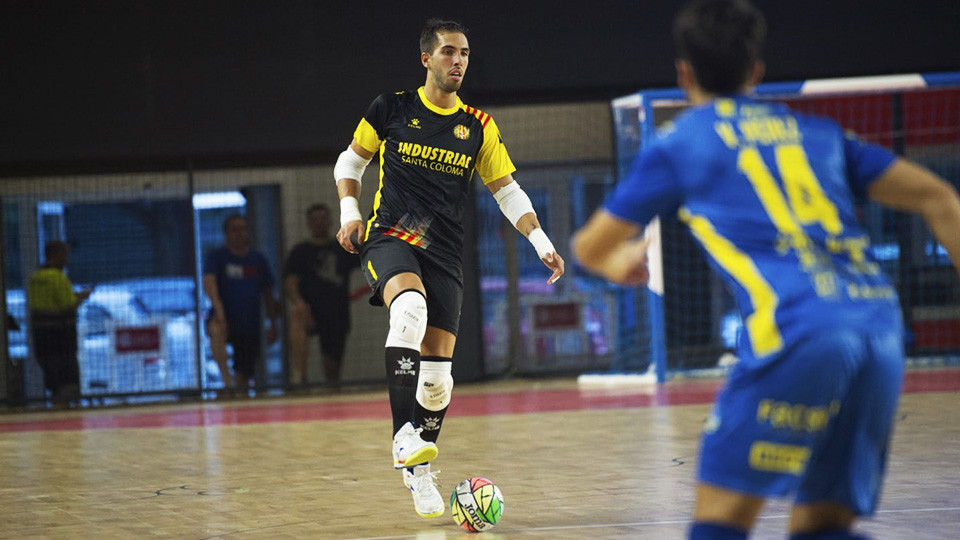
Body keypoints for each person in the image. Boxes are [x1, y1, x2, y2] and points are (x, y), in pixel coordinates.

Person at [571, 1, 960, 538]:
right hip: (881, 330)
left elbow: (589, 247)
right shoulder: (819, 132)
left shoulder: (681, 140)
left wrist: (622, 262)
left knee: (720, 522)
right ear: (756, 71)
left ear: (683, 74)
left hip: (800, 331)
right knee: (822, 524)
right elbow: (940, 199)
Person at [334, 18, 565, 519]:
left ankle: (418, 474)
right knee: (409, 310)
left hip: (443, 253)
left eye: (463, 53)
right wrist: (350, 213)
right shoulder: (391, 107)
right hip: (390, 237)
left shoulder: (478, 126)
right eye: (447, 52)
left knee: (438, 382)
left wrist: (541, 240)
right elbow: (349, 164)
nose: (457, 61)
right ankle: (401, 437)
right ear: (426, 59)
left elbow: (507, 190)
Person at [284, 203, 360, 385]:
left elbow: (367, 263)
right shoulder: (300, 252)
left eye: (323, 218)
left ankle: (332, 392)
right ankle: (300, 378)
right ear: (308, 222)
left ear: (330, 220)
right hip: (309, 311)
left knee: (332, 368)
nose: (319, 223)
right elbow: (290, 281)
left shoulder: (343, 248)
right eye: (315, 219)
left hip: (336, 313)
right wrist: (299, 303)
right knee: (296, 317)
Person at [202, 213, 279, 392]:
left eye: (243, 229)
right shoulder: (217, 257)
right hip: (225, 319)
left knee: (244, 373)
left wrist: (273, 324)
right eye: (234, 229)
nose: (239, 233)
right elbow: (209, 282)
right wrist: (218, 308)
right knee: (215, 329)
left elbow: (268, 293)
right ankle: (227, 384)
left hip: (249, 325)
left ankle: (240, 395)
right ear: (226, 233)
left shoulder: (257, 259)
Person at [27, 240, 92, 403]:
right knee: (67, 375)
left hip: (41, 337)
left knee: (52, 376)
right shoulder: (58, 277)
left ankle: (57, 402)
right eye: (65, 255)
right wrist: (82, 297)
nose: (66, 259)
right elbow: (68, 305)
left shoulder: (36, 277)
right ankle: (68, 404)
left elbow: (44, 303)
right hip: (62, 338)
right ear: (57, 254)